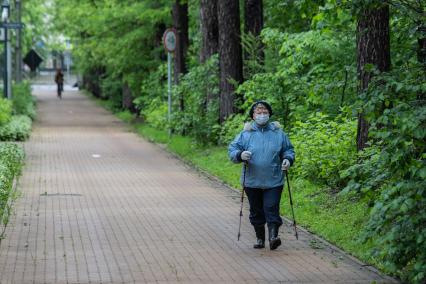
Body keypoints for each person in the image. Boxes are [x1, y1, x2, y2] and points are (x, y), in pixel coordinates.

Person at [228, 101, 295, 250]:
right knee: (256, 210)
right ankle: (260, 238)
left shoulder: (279, 133)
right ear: (253, 115)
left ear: (269, 114)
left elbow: (288, 150)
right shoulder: (245, 134)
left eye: (264, 112)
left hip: (274, 179)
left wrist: (287, 159)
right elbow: (232, 151)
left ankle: (273, 237)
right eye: (259, 112)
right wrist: (240, 154)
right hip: (252, 181)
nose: (262, 115)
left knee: (271, 207)